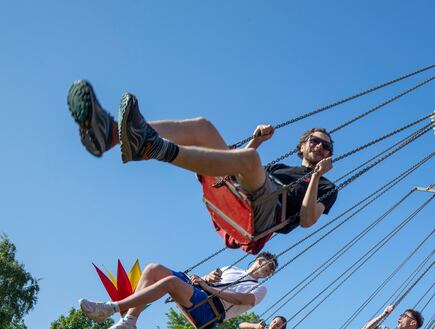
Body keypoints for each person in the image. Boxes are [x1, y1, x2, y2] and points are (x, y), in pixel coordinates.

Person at [66, 81, 336, 254]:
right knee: (202, 126)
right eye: (315, 141)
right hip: (246, 189)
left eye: (326, 147)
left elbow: (306, 220)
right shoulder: (281, 165)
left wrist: (315, 177)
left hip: (267, 214)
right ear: (302, 146)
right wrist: (256, 141)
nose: (320, 148)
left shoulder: (327, 186)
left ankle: (151, 146)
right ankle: (111, 135)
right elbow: (241, 168)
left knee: (250, 160)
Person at [79, 253, 275, 329]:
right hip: (201, 293)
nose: (269, 271)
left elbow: (242, 301)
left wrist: (208, 286)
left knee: (170, 283)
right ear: (259, 260)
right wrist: (206, 278)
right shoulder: (230, 268)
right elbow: (205, 281)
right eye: (269, 265)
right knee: (154, 269)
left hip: (210, 310)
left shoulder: (259, 288)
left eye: (271, 271)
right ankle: (129, 322)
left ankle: (110, 308)